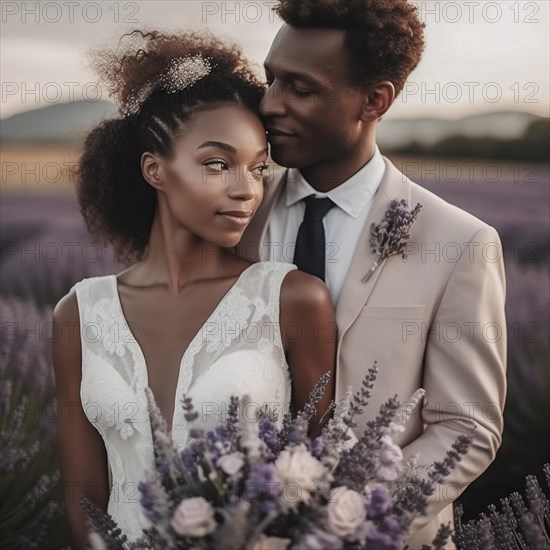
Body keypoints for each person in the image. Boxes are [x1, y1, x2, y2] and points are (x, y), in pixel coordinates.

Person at [52, 30, 336, 549]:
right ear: (155, 169)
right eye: (216, 164)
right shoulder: (78, 313)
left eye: (258, 168)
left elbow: (318, 476)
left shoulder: (293, 300)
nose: (245, 188)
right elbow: (84, 499)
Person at [238, 0, 507, 547]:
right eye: (270, 80)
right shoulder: (233, 218)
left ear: (374, 100)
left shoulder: (460, 243)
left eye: (300, 88)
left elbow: (468, 426)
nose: (269, 105)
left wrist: (351, 517)